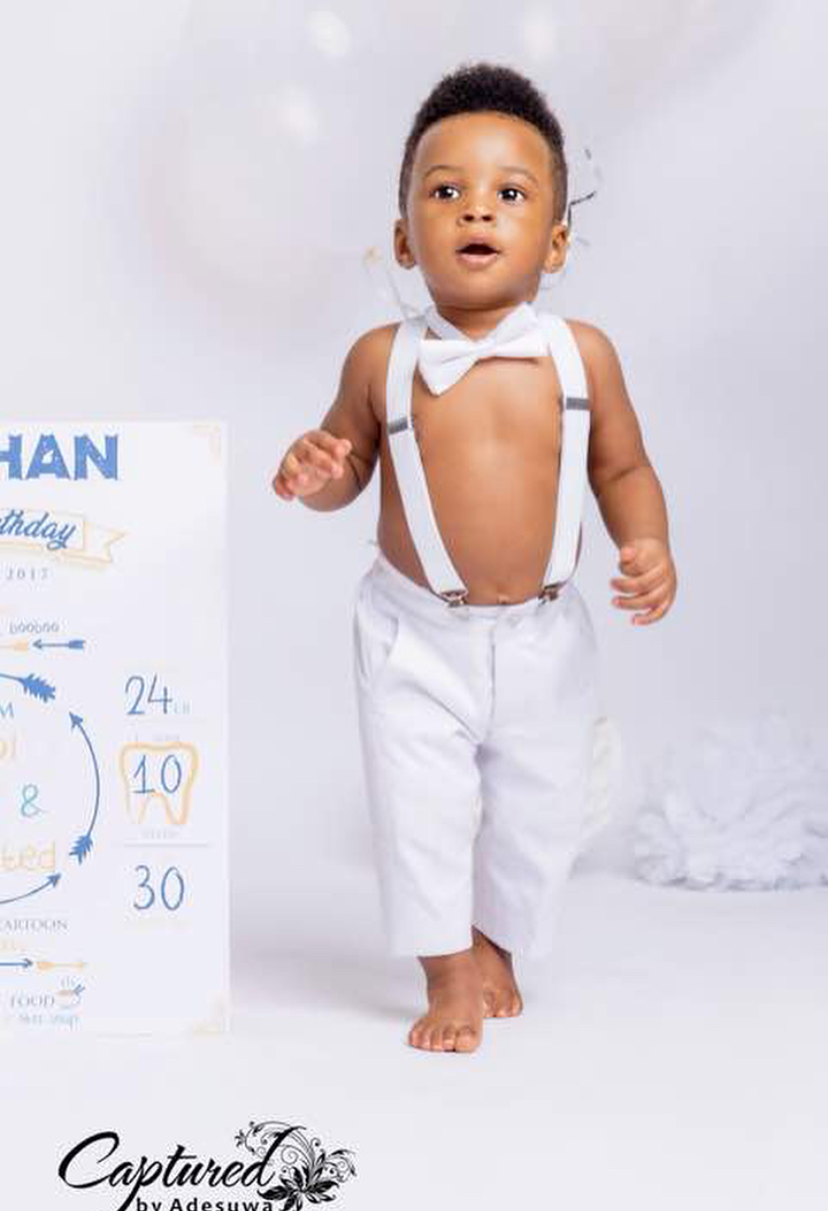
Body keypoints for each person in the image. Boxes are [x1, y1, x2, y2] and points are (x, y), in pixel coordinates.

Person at [272, 62, 677, 1053]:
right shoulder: (381, 359)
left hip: (544, 633)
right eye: (446, 189)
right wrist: (313, 471)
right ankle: (447, 966)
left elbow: (623, 466)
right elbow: (346, 474)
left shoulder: (583, 355)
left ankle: (498, 937)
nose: (476, 209)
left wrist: (647, 540)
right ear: (405, 239)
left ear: (557, 240)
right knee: (420, 806)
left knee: (541, 809)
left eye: (510, 193)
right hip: (414, 633)